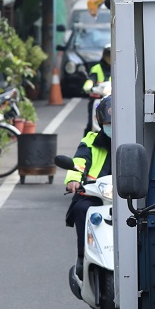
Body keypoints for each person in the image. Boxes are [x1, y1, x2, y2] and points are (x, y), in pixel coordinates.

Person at [64, 98, 113, 280]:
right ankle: (82, 255)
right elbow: (78, 162)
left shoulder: (133, 139)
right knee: (81, 209)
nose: (111, 127)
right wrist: (74, 180)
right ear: (101, 122)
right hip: (95, 195)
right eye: (108, 123)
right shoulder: (90, 140)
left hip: (127, 196)